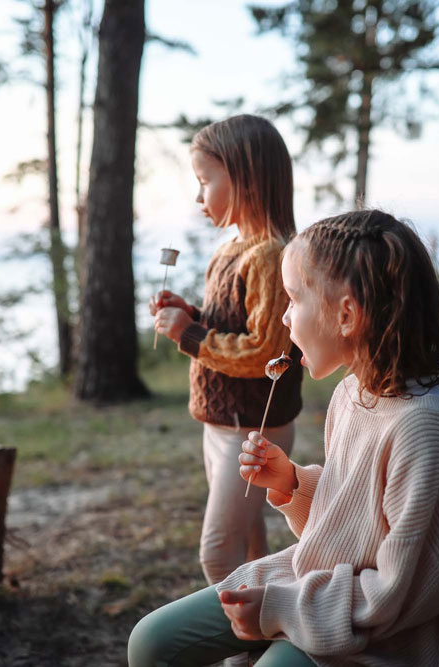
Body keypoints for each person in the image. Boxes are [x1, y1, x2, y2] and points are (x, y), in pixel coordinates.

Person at [131, 210, 439, 666]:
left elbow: (397, 593)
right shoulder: (351, 394)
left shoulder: (425, 429)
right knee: (149, 642)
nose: (283, 320)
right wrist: (293, 483)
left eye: (293, 300)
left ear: (346, 315)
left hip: (386, 636)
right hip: (319, 587)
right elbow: (350, 527)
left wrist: (278, 607)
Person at [150, 115, 303, 588]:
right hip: (219, 425)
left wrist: (190, 336)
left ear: (245, 179)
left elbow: (265, 353)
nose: (199, 198)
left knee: (218, 553)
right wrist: (190, 315)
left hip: (253, 428)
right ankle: (258, 638)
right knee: (248, 540)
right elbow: (230, 326)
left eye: (204, 182)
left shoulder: (272, 256)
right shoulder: (229, 251)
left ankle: (237, 657)